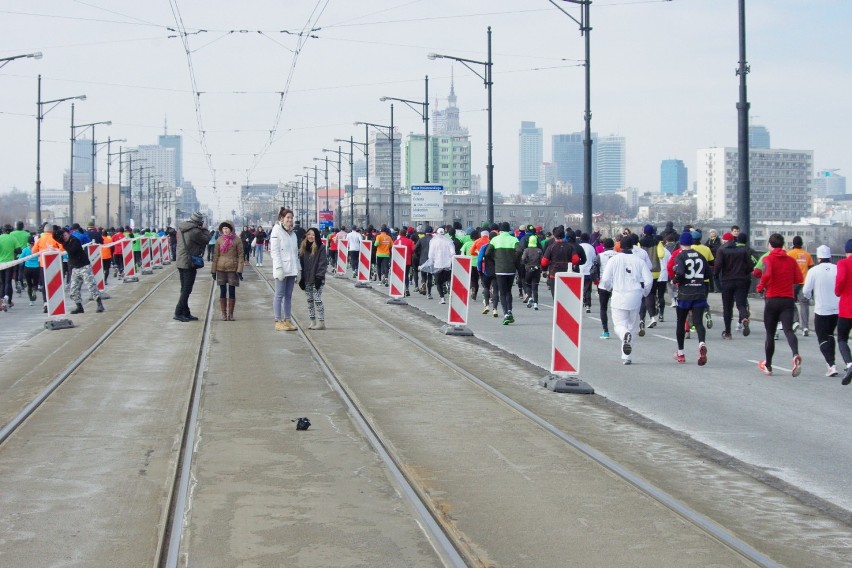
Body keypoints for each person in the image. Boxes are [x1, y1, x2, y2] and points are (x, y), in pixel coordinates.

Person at [598, 235, 652, 365]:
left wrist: (610, 288)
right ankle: (626, 356)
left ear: (620, 246)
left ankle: (624, 336)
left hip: (619, 295)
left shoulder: (614, 260)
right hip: (635, 296)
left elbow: (605, 279)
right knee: (632, 326)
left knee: (619, 325)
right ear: (633, 246)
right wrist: (644, 292)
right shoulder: (639, 261)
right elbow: (649, 280)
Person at [755, 233, 803, 377]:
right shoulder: (791, 260)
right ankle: (795, 354)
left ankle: (768, 365)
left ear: (770, 245)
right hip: (788, 299)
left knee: (770, 333)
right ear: (782, 245)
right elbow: (799, 278)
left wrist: (760, 287)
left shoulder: (767, 259)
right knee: (788, 330)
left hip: (772, 299)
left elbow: (767, 275)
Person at [671, 231, 709, 366]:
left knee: (681, 322)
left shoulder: (680, 256)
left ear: (681, 243)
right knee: (698, 322)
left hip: (685, 294)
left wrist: (674, 280)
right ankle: (701, 343)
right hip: (699, 292)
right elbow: (707, 274)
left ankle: (681, 353)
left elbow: (680, 272)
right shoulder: (700, 256)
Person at [803, 245, 840, 377]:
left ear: (818, 257)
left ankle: (831, 364)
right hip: (837, 308)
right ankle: (832, 362)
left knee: (822, 337)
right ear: (830, 256)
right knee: (830, 334)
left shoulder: (814, 271)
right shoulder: (837, 268)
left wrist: (809, 297)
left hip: (822, 309)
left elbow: (806, 290)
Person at [714, 232, 756, 339]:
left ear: (724, 241)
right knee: (741, 304)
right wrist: (743, 272)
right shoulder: (742, 250)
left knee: (727, 308)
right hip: (741, 280)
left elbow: (718, 266)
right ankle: (744, 318)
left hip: (727, 281)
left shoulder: (721, 250)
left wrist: (716, 277)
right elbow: (751, 266)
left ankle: (727, 332)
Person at [55, 226, 104, 314]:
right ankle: (79, 307)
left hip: (84, 266)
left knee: (91, 286)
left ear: (68, 233)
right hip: (75, 268)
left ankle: (99, 304)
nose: (64, 237)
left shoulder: (74, 240)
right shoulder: (65, 243)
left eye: (65, 235)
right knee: (73, 289)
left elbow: (72, 250)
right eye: (62, 236)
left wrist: (63, 244)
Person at [174, 212, 210, 322]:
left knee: (184, 288)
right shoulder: (195, 231)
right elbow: (206, 240)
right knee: (187, 289)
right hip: (189, 262)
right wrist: (205, 229)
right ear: (199, 221)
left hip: (181, 261)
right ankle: (178, 312)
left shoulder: (182, 228)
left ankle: (186, 312)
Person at [271, 207, 300, 331]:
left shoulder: (292, 233)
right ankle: (278, 320)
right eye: (288, 217)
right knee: (279, 295)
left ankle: (287, 320)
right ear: (282, 218)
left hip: (292, 269)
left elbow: (295, 253)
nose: (290, 220)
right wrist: (278, 268)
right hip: (282, 268)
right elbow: (275, 251)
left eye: (291, 218)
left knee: (288, 296)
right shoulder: (276, 231)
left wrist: (298, 269)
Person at [485, 222, 520, 324]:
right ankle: (510, 311)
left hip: (499, 270)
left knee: (502, 292)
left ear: (500, 230)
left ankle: (505, 314)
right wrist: (513, 259)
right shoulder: (514, 239)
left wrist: (495, 260)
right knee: (508, 291)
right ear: (509, 229)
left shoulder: (495, 239)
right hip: (511, 269)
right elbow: (519, 250)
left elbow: (487, 253)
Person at [211, 220, 244, 321]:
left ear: (231, 229)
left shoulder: (237, 240)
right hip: (221, 268)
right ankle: (224, 314)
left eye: (227, 228)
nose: (225, 230)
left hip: (232, 269)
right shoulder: (219, 240)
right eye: (223, 228)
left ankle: (231, 314)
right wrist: (213, 270)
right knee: (222, 291)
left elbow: (241, 256)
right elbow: (215, 255)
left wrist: (239, 270)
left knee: (232, 291)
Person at [299, 227, 328, 330]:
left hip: (317, 278)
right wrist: (302, 278)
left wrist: (319, 277)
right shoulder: (303, 247)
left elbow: (323, 263)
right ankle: (312, 321)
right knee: (309, 300)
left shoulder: (321, 247)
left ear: (316, 236)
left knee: (317, 299)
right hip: (307, 278)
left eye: (313, 235)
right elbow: (302, 264)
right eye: (309, 234)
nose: (310, 236)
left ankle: (321, 322)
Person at [788, 235, 814, 336]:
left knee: (790, 302)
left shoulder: (789, 254)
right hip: (804, 282)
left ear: (793, 244)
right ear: (802, 244)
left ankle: (795, 320)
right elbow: (811, 268)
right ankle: (805, 327)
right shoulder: (807, 255)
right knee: (804, 304)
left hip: (793, 282)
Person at [835, 239, 852, 385]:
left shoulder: (843, 263)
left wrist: (838, 292)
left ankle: (849, 364)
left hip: (847, 308)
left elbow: (840, 281)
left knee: (842, 338)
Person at [596, 238, 618, 338]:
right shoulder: (618, 256)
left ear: (603, 246)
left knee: (603, 308)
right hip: (617, 285)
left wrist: (596, 281)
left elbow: (594, 270)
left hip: (603, 285)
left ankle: (605, 331)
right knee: (617, 308)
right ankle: (620, 329)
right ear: (613, 246)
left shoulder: (600, 256)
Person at [430, 227, 456, 304]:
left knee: (438, 283)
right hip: (447, 266)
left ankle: (442, 298)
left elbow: (430, 255)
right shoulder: (449, 241)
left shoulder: (433, 242)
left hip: (438, 265)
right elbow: (453, 253)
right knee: (449, 279)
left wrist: (432, 261)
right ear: (444, 233)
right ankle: (449, 289)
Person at [521, 233, 543, 310]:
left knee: (528, 285)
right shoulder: (539, 250)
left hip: (528, 270)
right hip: (537, 270)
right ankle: (536, 303)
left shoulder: (526, 250)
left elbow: (523, 259)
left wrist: (526, 264)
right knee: (535, 287)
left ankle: (530, 297)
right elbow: (542, 261)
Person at [19, 234, 40, 306]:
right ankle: (35, 289)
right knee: (35, 283)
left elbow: (20, 259)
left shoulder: (25, 250)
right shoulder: (37, 249)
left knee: (29, 285)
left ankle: (31, 301)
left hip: (27, 268)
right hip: (36, 268)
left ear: (28, 243)